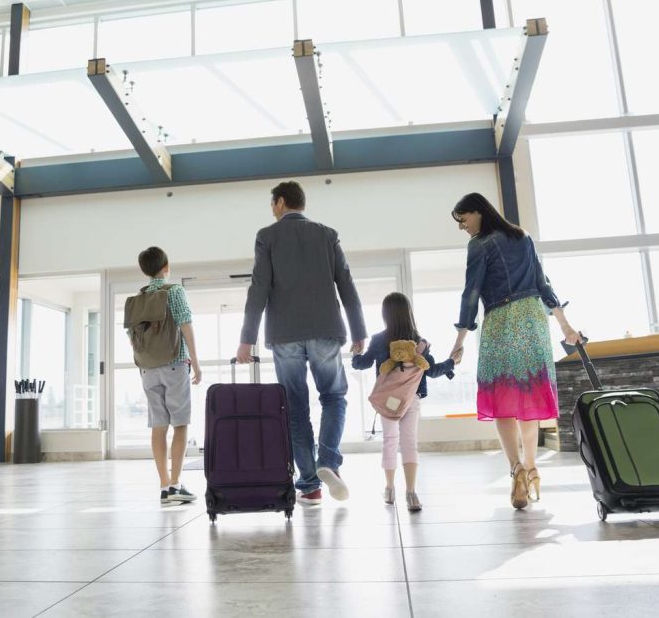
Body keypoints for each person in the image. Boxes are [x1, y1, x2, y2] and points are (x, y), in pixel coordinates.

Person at [236, 181, 367, 506]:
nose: (272, 210)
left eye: (272, 204)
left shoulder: (267, 236)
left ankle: (310, 486)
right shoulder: (327, 234)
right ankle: (328, 461)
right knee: (333, 397)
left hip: (284, 334)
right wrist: (359, 331)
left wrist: (246, 339)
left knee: (295, 407)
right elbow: (346, 284)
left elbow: (258, 288)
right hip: (325, 329)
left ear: (280, 202)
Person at [448, 193, 582, 510]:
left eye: (463, 220)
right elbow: (543, 283)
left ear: (478, 212)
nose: (463, 227)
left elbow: (471, 293)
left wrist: (460, 340)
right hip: (532, 320)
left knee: (502, 398)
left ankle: (516, 468)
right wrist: (565, 325)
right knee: (528, 396)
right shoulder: (523, 237)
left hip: (501, 319)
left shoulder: (479, 245)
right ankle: (532, 467)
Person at [352, 292, 458, 512]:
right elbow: (432, 371)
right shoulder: (419, 342)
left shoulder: (379, 340)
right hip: (412, 397)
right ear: (408, 313)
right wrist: (452, 362)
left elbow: (362, 364)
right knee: (409, 443)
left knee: (390, 441)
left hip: (388, 400)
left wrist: (355, 353)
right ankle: (411, 493)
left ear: (385, 315)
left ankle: (390, 489)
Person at [130, 247, 202, 505]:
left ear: (145, 271)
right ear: (166, 267)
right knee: (180, 424)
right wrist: (195, 362)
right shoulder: (175, 291)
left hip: (148, 369)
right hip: (174, 364)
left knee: (158, 426)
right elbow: (185, 325)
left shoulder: (139, 298)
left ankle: (163, 486)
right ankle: (175, 484)